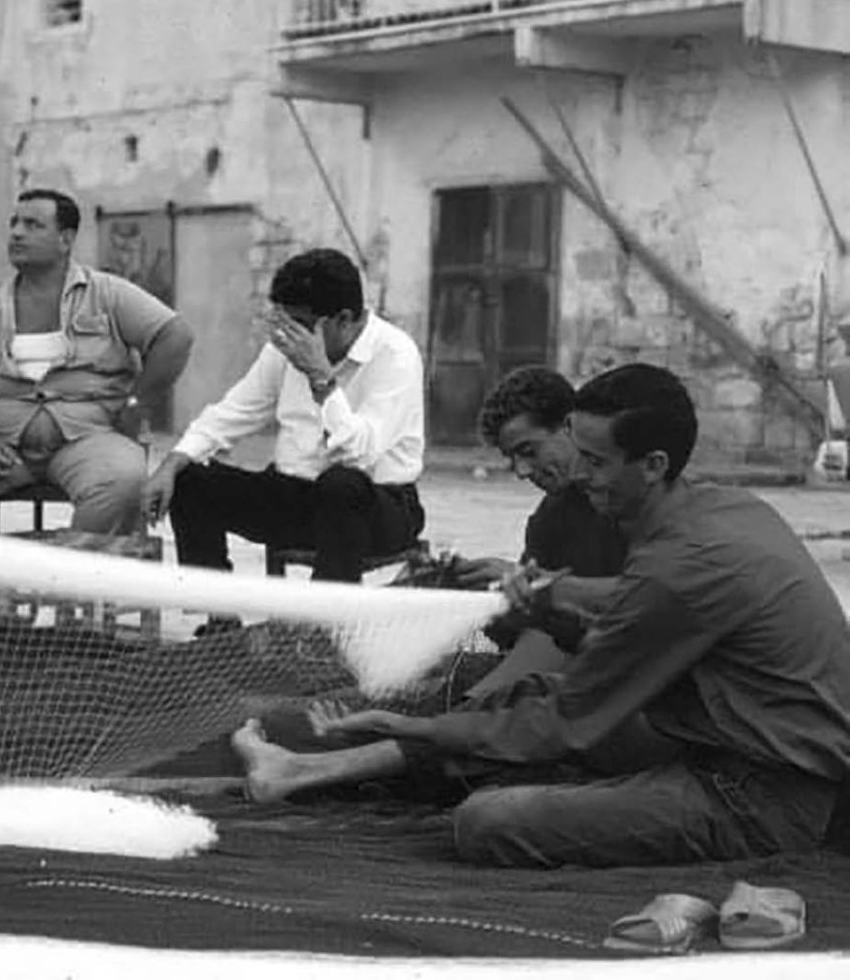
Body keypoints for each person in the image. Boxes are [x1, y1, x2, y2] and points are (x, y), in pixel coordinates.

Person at [233, 363, 850, 868]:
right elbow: (619, 636)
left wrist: (416, 727)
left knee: (488, 820)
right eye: (579, 453)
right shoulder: (725, 510)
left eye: (597, 462)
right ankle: (303, 769)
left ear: (654, 465)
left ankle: (319, 767)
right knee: (517, 698)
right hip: (716, 738)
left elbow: (566, 718)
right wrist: (548, 613)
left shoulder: (682, 562)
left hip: (763, 795)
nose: (581, 474)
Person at [0, 189, 193, 604]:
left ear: (65, 239)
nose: (17, 233)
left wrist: (136, 402)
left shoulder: (106, 293)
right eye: (14, 223)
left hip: (88, 438)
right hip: (2, 444)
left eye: (33, 225)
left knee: (124, 480)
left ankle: (68, 595)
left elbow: (176, 335)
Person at [140, 248, 425, 621]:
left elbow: (360, 453)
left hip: (376, 508)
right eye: (284, 322)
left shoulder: (396, 355)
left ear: (343, 320)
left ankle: (321, 627)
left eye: (301, 325)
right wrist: (173, 462)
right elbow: (233, 412)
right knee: (189, 480)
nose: (288, 336)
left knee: (341, 484)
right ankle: (220, 623)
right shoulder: (284, 349)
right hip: (297, 496)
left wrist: (322, 379)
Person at [449, 366, 627, 699]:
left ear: (569, 428)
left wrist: (544, 589)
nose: (521, 471)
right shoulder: (550, 517)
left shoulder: (634, 500)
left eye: (529, 452)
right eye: (512, 459)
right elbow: (518, 627)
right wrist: (491, 596)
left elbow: (656, 593)